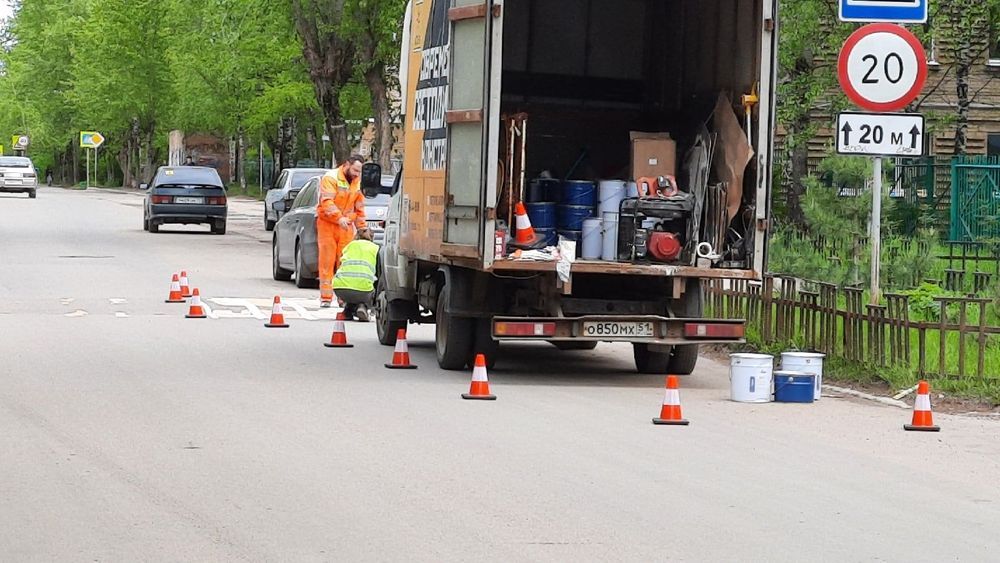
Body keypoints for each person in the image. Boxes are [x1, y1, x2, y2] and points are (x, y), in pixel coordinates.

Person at [316, 155, 367, 307]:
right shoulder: (331, 178)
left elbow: (359, 207)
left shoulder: (357, 182)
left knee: (344, 262)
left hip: (345, 226)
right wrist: (339, 218)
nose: (357, 174)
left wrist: (362, 228)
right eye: (355, 170)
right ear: (347, 165)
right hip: (328, 224)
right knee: (327, 261)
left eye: (359, 171)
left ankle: (343, 298)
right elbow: (327, 202)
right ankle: (326, 297)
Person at [333, 228, 379, 321]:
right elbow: (379, 274)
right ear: (372, 237)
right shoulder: (376, 248)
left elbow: (341, 265)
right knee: (372, 283)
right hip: (364, 291)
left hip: (340, 289)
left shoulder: (349, 246)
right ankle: (363, 306)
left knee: (352, 288)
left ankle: (348, 311)